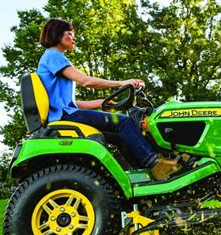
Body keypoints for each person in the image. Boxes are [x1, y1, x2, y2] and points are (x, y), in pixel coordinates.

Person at [37, 18, 180, 180]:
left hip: (66, 113)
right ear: (56, 34)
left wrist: (102, 102)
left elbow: (73, 104)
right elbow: (86, 81)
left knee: (120, 135)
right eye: (69, 33)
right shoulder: (53, 56)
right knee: (124, 122)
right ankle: (157, 163)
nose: (74, 38)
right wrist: (121, 83)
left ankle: (145, 173)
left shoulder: (50, 59)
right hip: (65, 115)